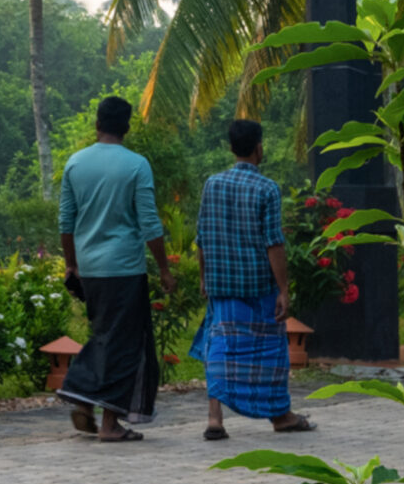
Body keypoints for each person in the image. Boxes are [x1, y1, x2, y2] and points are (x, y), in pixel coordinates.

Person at [189, 117, 315, 440]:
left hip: (222, 286)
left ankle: (214, 418)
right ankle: (280, 415)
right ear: (259, 148)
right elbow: (273, 242)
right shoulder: (267, 189)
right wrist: (283, 289)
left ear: (232, 148)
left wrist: (203, 276)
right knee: (271, 351)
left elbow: (202, 236)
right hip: (258, 286)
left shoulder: (212, 184)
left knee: (218, 347)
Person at [56, 96, 171, 442]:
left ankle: (86, 403)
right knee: (123, 344)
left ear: (97, 124)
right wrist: (164, 269)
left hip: (90, 268)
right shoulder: (136, 165)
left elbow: (66, 221)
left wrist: (72, 264)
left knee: (104, 335)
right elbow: (150, 224)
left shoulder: (75, 164)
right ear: (127, 127)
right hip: (124, 268)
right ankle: (107, 421)